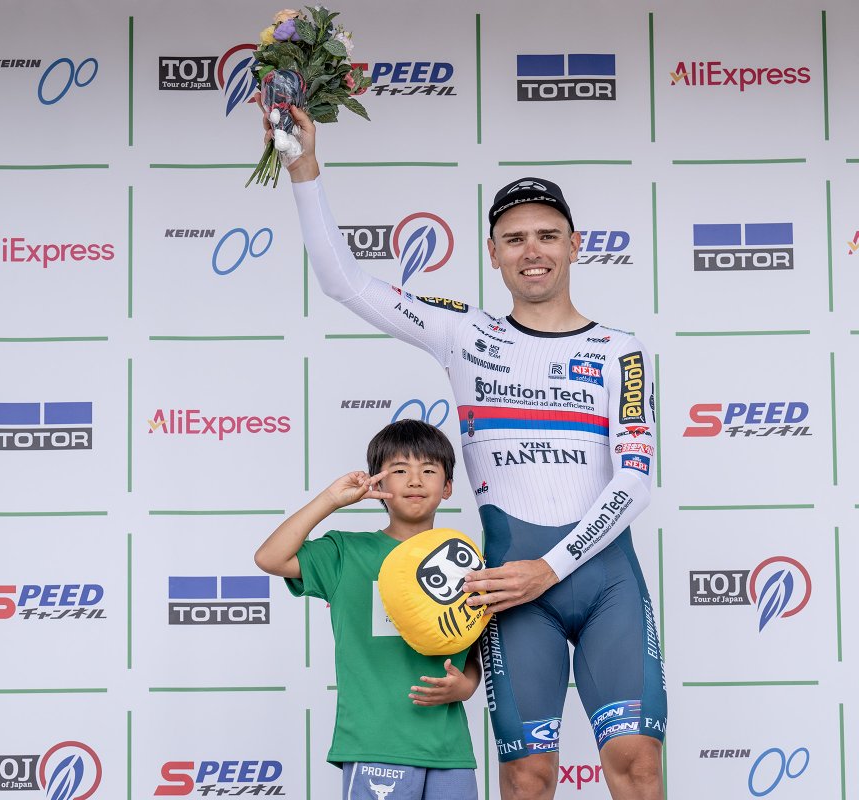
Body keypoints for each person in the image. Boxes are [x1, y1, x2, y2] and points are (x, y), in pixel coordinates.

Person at [279, 106, 666, 800]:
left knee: (637, 764)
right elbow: (344, 281)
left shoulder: (620, 349)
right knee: (527, 776)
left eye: (547, 235)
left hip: (603, 580)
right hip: (509, 592)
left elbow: (635, 481)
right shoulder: (466, 333)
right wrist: (301, 162)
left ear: (575, 245)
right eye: (514, 239)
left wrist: (547, 569)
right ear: (492, 253)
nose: (532, 251)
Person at [255, 419, 482, 800]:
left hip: (450, 748)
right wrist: (331, 499)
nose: (415, 480)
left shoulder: (466, 560)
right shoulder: (346, 553)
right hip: (376, 743)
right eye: (400, 470)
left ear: (447, 487)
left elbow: (473, 645)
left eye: (429, 470)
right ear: (379, 483)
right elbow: (270, 557)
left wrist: (469, 684)